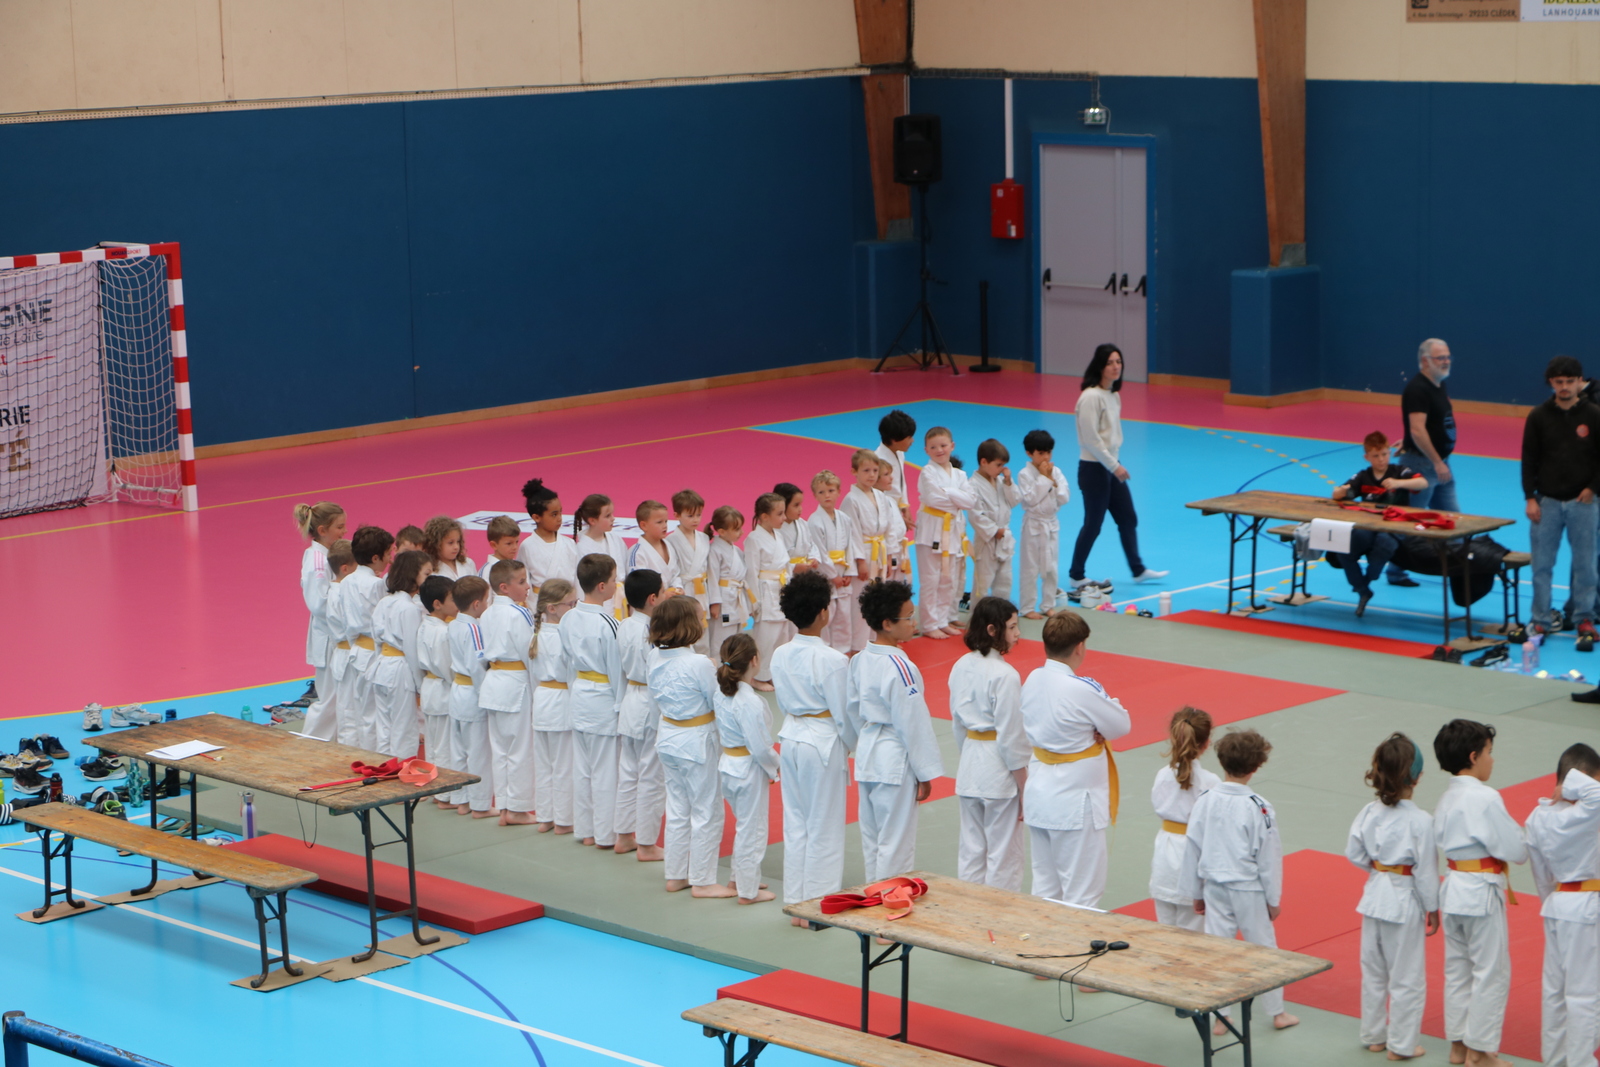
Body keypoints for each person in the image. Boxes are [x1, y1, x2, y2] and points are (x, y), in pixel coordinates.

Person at [1181, 729, 1299, 1033]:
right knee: (1264, 951)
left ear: (1222, 762)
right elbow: (1268, 858)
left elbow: (1192, 847)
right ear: (1256, 766)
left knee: (1218, 951)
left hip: (1214, 886)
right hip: (1249, 889)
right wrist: (1273, 899)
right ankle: (1277, 1013)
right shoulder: (1259, 806)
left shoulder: (1205, 800)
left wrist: (1195, 892)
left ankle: (1222, 1016)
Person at [1433, 718, 1527, 1067]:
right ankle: (1481, 1051)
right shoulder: (1485, 798)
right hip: (1480, 892)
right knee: (1491, 972)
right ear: (1473, 756)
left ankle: (1459, 1046)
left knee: (1458, 970)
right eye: (1489, 752)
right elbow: (1516, 849)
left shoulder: (1446, 798)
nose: (1492, 759)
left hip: (1453, 888)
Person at [1021, 611, 1131, 908]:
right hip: (1074, 803)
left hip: (1039, 794)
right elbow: (1120, 725)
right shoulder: (1082, 688)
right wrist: (1099, 722)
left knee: (1045, 888)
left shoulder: (1031, 679)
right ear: (1080, 646)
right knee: (1083, 894)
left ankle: (1039, 937)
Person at [1345, 733, 1439, 1061]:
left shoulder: (1369, 811)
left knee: (1373, 971)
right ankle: (1402, 1044)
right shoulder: (1421, 821)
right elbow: (1426, 872)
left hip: (1374, 895)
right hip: (1404, 898)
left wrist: (1377, 870)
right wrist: (1433, 907)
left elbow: (1353, 852)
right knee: (1406, 977)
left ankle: (1374, 1036)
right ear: (1417, 777)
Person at [770, 572, 855, 925]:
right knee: (824, 824)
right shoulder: (833, 660)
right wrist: (852, 746)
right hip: (822, 742)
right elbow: (844, 715)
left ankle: (796, 902)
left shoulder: (780, 653)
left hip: (790, 738)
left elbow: (782, 700)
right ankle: (819, 906)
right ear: (823, 613)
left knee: (797, 823)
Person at [846, 579, 944, 882]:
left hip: (868, 755)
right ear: (888, 623)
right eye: (909, 617)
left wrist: (861, 743)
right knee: (895, 844)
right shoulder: (900, 667)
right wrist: (924, 772)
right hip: (894, 758)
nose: (914, 623)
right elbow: (912, 723)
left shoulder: (859, 660)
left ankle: (875, 900)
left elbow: (852, 710)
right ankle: (891, 902)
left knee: (873, 840)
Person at [650, 595, 733, 897]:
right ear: (688, 625)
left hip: (668, 736)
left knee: (677, 808)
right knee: (706, 810)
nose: (703, 622)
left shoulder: (654, 657)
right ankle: (703, 880)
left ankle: (676, 875)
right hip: (696, 741)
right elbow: (716, 700)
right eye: (699, 618)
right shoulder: (698, 663)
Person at [1524, 743, 1600, 1067]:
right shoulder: (1587, 810)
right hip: (1585, 907)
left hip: (1556, 905)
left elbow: (1541, 875)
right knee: (1584, 993)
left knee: (1555, 991)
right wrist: (1570, 784)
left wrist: (1551, 906)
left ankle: (1555, 1060)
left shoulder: (1538, 816)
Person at [1069, 344, 1166, 596]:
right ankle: (1076, 575)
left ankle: (1138, 570)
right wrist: (1115, 466)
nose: (1116, 367)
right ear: (1100, 366)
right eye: (1110, 362)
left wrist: (1114, 464)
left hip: (1111, 467)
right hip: (1094, 469)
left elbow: (1111, 436)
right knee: (1093, 524)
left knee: (1127, 517)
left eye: (1119, 362)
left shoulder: (1114, 395)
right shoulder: (1090, 397)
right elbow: (1091, 439)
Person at [948, 596, 1028, 891]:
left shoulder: (960, 665)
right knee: (1004, 854)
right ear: (993, 630)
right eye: (1012, 627)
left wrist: (969, 755)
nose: (1018, 633)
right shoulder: (1006, 675)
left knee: (971, 850)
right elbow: (1011, 737)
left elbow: (957, 722)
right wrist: (1024, 785)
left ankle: (969, 912)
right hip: (999, 771)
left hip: (970, 764)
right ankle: (1000, 914)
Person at [1522, 355, 1600, 645]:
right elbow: (1528, 460)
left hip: (1584, 503)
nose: (1564, 387)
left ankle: (1584, 619)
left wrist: (1593, 488)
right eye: (1559, 382)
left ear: (1580, 382)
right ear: (1550, 383)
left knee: (1586, 565)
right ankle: (1540, 620)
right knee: (1541, 565)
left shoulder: (1594, 414)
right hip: (1547, 502)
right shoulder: (1538, 416)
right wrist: (1530, 498)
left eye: (1569, 381)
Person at [1329, 431, 1428, 617]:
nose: (1381, 459)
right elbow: (1338, 493)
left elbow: (1422, 483)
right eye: (1375, 456)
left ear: (1389, 453)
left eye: (1384, 454)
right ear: (1367, 457)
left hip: (1393, 526)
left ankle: (1369, 578)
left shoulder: (1400, 471)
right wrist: (1341, 491)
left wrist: (1399, 483)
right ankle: (1362, 589)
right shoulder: (1362, 476)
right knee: (1344, 549)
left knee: (1384, 543)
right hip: (1368, 525)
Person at [714, 633, 779, 905]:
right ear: (754, 661)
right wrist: (774, 768)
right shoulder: (749, 701)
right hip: (748, 769)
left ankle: (738, 879)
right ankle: (748, 891)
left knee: (745, 825)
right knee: (752, 830)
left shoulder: (721, 693)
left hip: (729, 765)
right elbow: (761, 747)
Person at [567, 553, 626, 848]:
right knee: (604, 771)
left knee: (582, 769)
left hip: (579, 693)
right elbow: (617, 670)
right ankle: (604, 834)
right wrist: (620, 705)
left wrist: (574, 692)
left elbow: (568, 663)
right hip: (603, 698)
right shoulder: (608, 622)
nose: (617, 584)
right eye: (614, 579)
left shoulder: (568, 617)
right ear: (602, 586)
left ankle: (585, 830)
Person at [1388, 339, 1458, 586]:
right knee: (1410, 520)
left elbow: (1427, 424)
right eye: (1441, 358)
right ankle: (1395, 570)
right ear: (1426, 361)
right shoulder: (1417, 389)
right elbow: (1417, 430)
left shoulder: (1438, 384)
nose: (1446, 361)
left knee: (1452, 519)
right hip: (1423, 467)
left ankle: (1457, 567)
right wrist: (1437, 461)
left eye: (1448, 356)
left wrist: (1408, 440)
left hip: (1440, 466)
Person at [1149, 706, 1220, 931]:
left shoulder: (1163, 776)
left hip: (1164, 858)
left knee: (1165, 933)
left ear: (1173, 738)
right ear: (1206, 743)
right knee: (1193, 938)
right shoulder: (1211, 782)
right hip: (1194, 857)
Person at [478, 559, 536, 825]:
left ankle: (503, 805)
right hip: (515, 683)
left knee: (500, 749)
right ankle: (518, 809)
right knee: (519, 749)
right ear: (504, 587)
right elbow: (529, 654)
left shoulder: (487, 613)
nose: (528, 587)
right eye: (522, 582)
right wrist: (536, 688)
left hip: (493, 682)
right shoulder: (518, 613)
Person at [614, 569, 666, 861]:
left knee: (628, 772)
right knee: (650, 776)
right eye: (664, 590)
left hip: (630, 699)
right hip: (649, 702)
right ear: (653, 598)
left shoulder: (624, 625)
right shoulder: (653, 631)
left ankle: (623, 836)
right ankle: (646, 844)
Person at [915, 426, 979, 638]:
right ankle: (929, 624)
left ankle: (942, 620)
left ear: (952, 446)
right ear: (926, 450)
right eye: (933, 447)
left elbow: (971, 501)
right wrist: (957, 498)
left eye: (943, 445)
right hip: (930, 533)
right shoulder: (927, 472)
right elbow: (933, 499)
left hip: (952, 532)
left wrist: (949, 492)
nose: (939, 450)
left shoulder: (960, 475)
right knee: (930, 580)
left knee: (947, 579)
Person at [368, 549, 432, 760]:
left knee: (385, 727)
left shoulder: (384, 602)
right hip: (400, 670)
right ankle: (402, 772)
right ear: (413, 575)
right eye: (426, 574)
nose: (429, 579)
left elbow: (376, 640)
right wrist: (420, 685)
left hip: (381, 666)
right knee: (404, 729)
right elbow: (412, 651)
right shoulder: (409, 609)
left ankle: (383, 769)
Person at [295, 501, 347, 741]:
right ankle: (310, 746)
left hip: (335, 637)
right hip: (328, 638)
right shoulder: (317, 561)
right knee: (329, 700)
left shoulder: (328, 556)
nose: (344, 531)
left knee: (338, 698)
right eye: (340, 527)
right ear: (323, 530)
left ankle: (330, 746)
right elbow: (318, 604)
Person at [530, 579, 577, 834]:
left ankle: (545, 816)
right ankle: (564, 820)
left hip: (541, 700)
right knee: (563, 765)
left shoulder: (536, 635)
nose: (574, 608)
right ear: (552, 608)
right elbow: (572, 674)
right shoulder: (564, 636)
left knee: (544, 764)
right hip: (561, 700)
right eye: (571, 604)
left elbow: (532, 675)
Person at [342, 525, 395, 752]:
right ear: (375, 558)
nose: (390, 558)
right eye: (388, 553)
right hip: (375, 653)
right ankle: (378, 761)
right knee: (379, 715)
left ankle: (368, 757)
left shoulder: (346, 582)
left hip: (357, 652)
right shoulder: (377, 585)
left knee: (364, 713)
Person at [840, 449, 898, 652]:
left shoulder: (880, 496)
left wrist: (889, 557)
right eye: (866, 470)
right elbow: (852, 533)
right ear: (854, 472)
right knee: (861, 602)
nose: (871, 475)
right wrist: (860, 561)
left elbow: (889, 528)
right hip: (864, 554)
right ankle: (858, 647)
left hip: (879, 552)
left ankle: (875, 642)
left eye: (875, 470)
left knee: (878, 600)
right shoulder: (851, 499)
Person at [446, 576, 494, 817]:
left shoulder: (453, 624)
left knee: (459, 751)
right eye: (487, 600)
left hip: (457, 690)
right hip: (472, 694)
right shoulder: (474, 628)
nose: (488, 604)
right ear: (477, 604)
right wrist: (486, 697)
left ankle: (461, 800)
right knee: (478, 753)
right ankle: (480, 805)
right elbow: (477, 667)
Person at [807, 470, 867, 654]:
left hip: (844, 574)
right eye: (822, 492)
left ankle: (843, 652)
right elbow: (820, 552)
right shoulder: (814, 521)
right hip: (827, 576)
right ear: (815, 495)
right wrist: (833, 576)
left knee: (844, 618)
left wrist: (849, 572)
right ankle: (825, 653)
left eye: (831, 491)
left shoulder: (844, 519)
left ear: (839, 492)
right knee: (826, 617)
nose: (827, 495)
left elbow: (850, 546)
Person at [1016, 430, 1070, 619]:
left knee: (1052, 568)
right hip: (1033, 525)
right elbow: (1030, 499)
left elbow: (1064, 498)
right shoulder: (1024, 474)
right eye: (1041, 453)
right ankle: (1027, 607)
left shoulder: (1057, 471)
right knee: (1030, 568)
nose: (1046, 457)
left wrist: (1052, 480)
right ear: (1029, 453)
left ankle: (1048, 604)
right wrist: (1044, 478)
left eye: (1049, 452)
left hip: (1051, 524)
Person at [743, 493, 792, 692]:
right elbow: (751, 572)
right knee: (765, 638)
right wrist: (754, 602)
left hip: (781, 589)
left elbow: (786, 566)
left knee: (781, 637)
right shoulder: (753, 539)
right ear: (764, 516)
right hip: (765, 593)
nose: (784, 518)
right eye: (779, 514)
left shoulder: (779, 536)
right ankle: (757, 676)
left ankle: (773, 674)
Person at [416, 575, 457, 808]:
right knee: (444, 744)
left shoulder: (425, 626)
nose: (456, 603)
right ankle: (444, 795)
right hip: (442, 688)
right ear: (437, 604)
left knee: (433, 744)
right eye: (452, 599)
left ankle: (434, 788)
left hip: (430, 687)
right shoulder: (442, 632)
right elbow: (447, 667)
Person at [967, 439, 1018, 603]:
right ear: (984, 462)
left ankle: (1001, 616)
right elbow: (975, 515)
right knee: (982, 585)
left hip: (1004, 539)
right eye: (998, 465)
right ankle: (978, 617)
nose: (1002, 469)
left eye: (1004, 465)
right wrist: (995, 531)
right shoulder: (972, 485)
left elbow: (1015, 501)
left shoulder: (1001, 481)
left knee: (1004, 582)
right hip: (986, 541)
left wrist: (1009, 483)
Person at [322, 540, 358, 745]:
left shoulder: (340, 590)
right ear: (345, 569)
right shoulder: (339, 594)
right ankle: (348, 754)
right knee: (349, 713)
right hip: (346, 655)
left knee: (353, 709)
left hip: (346, 654)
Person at [665, 489, 710, 652]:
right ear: (677, 515)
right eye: (690, 516)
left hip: (702, 589)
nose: (695, 520)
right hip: (685, 588)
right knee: (685, 632)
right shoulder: (670, 539)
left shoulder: (704, 538)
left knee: (703, 634)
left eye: (698, 515)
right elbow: (672, 569)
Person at [573, 493, 630, 620]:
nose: (613, 518)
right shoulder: (581, 548)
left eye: (612, 514)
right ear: (592, 520)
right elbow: (580, 585)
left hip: (620, 599)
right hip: (597, 603)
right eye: (607, 516)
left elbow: (626, 569)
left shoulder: (615, 539)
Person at [517, 479, 579, 594]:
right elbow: (523, 579)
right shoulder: (527, 546)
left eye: (560, 512)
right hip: (540, 601)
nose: (559, 518)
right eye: (554, 514)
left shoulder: (569, 543)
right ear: (537, 517)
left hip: (569, 600)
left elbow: (577, 578)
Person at [705, 506, 750, 656]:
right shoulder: (714, 550)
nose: (741, 532)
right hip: (723, 601)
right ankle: (718, 667)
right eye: (737, 529)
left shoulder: (736, 550)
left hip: (736, 596)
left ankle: (734, 665)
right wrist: (715, 603)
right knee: (720, 638)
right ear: (722, 531)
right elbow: (712, 577)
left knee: (737, 637)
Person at [628, 499, 681, 594]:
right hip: (650, 601)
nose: (665, 526)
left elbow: (675, 573)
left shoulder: (668, 545)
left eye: (666, 521)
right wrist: (662, 595)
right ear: (644, 525)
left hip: (672, 600)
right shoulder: (637, 553)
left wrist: (677, 587)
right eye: (659, 522)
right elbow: (638, 585)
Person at [875, 409, 916, 526]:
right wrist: (896, 517)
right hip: (884, 514)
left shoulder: (899, 452)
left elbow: (901, 481)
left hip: (896, 508)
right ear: (894, 440)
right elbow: (879, 496)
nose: (912, 441)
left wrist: (904, 505)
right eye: (909, 437)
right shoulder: (878, 461)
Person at [478, 514, 523, 604]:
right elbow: (484, 605)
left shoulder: (518, 567)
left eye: (517, 542)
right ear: (494, 545)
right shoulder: (487, 572)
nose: (515, 547)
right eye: (509, 543)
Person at [422, 514, 476, 579]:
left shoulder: (468, 563)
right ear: (436, 544)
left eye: (458, 541)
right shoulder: (430, 570)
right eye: (450, 543)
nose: (456, 547)